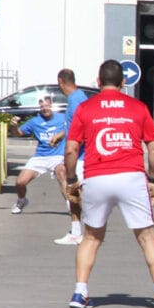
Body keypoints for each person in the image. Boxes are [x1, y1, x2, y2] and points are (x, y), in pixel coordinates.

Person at [63, 59, 154, 308]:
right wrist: (152, 180)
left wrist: (71, 181)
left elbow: (71, 149)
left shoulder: (85, 108)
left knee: (91, 237)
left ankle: (80, 293)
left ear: (98, 82)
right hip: (131, 177)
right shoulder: (138, 107)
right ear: (123, 82)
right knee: (147, 237)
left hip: (97, 176)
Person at [9, 96, 69, 213]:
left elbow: (73, 128)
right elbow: (18, 133)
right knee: (20, 182)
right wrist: (14, 126)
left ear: (51, 105)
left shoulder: (62, 118)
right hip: (40, 156)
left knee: (61, 174)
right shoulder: (35, 121)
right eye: (42, 107)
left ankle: (70, 205)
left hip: (58, 156)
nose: (44, 109)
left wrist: (61, 135)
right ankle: (21, 200)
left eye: (46, 106)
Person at [55, 68, 90, 245]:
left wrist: (73, 153)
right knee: (63, 177)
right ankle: (77, 228)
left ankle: (83, 230)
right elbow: (72, 127)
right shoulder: (75, 98)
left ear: (60, 81)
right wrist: (61, 136)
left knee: (72, 186)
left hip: (80, 156)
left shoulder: (77, 100)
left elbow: (82, 129)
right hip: (76, 154)